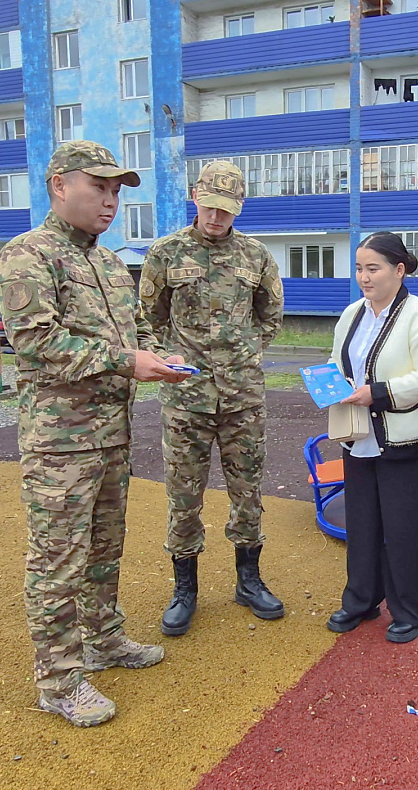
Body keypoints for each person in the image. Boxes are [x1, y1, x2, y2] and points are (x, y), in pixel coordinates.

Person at [0, 140, 192, 728]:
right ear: (59, 185)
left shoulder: (107, 262)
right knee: (58, 561)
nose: (111, 202)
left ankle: (103, 639)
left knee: (105, 548)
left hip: (111, 433)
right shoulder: (27, 256)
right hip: (60, 443)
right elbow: (37, 343)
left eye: (116, 192)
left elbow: (134, 334)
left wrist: (159, 356)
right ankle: (58, 680)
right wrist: (130, 362)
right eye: (99, 188)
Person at [136, 160, 285, 638]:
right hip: (186, 399)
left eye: (227, 209)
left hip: (242, 397)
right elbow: (147, 319)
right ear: (195, 197)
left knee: (248, 494)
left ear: (239, 208)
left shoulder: (256, 255)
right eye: (210, 206)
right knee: (184, 497)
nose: (217, 217)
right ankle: (185, 590)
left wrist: (243, 354)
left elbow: (271, 315)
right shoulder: (165, 252)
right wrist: (165, 357)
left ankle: (248, 580)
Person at [324, 232, 418, 644]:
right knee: (361, 523)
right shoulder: (351, 314)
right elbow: (335, 360)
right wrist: (329, 384)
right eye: (359, 268)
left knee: (403, 527)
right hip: (358, 435)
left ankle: (409, 609)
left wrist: (376, 392)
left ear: (399, 270)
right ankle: (361, 599)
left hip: (405, 438)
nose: (363, 276)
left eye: (372, 268)